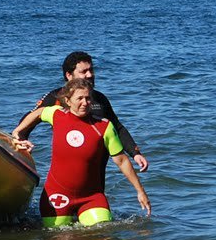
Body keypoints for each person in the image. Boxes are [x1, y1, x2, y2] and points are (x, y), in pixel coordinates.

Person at [12, 80, 150, 227]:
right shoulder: (56, 115)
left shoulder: (104, 127)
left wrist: (140, 191)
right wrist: (18, 131)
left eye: (88, 98)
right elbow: (38, 113)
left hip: (91, 197)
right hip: (58, 195)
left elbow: (122, 161)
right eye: (80, 98)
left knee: (101, 237)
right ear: (67, 101)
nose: (85, 103)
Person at [34, 51, 148, 172]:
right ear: (69, 75)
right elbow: (31, 117)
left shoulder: (100, 99)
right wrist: (21, 138)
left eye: (91, 70)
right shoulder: (56, 97)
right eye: (83, 71)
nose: (89, 75)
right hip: (66, 171)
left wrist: (135, 153)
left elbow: (117, 128)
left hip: (96, 173)